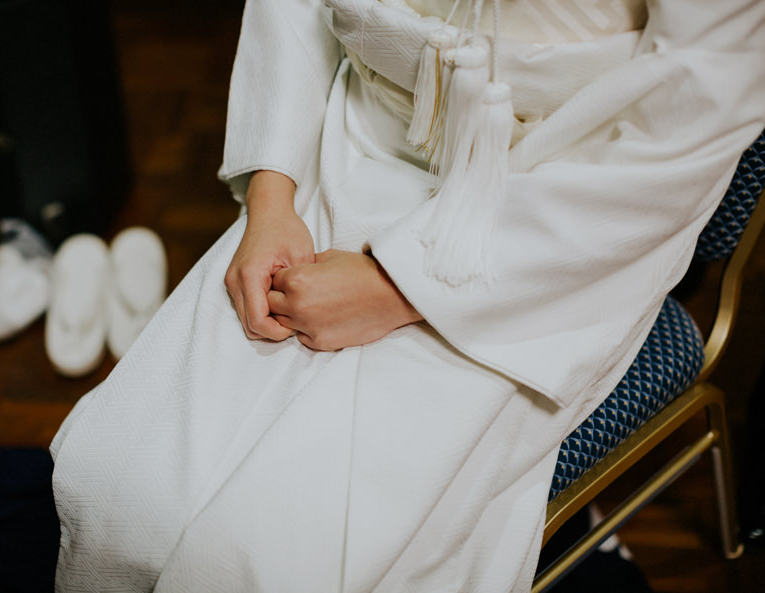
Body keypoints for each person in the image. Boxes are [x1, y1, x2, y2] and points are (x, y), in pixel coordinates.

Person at [51, 1, 765, 591]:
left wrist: (400, 286)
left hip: (548, 223)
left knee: (278, 552)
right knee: (113, 481)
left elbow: (689, 122)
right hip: (353, 145)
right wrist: (273, 192)